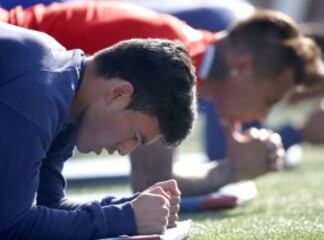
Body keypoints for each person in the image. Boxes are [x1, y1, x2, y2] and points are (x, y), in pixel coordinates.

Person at [1, 1, 324, 195]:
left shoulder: (188, 48)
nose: (262, 114)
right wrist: (233, 170)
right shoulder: (178, 62)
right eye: (269, 98)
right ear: (242, 66)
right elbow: (152, 184)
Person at [0, 22, 197, 239]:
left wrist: (130, 207)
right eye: (135, 136)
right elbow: (12, 225)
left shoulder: (67, 94)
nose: (124, 150)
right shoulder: (40, 91)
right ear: (119, 94)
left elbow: (49, 203)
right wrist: (125, 218)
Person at [156, 3, 324, 161]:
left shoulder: (254, 35)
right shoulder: (244, 48)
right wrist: (300, 133)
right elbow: (222, 152)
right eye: (310, 90)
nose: (300, 99)